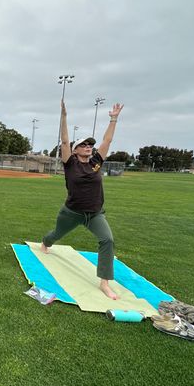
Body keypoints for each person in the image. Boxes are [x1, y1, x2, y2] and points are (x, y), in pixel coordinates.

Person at [41, 100, 124, 299]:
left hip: (95, 214)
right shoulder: (70, 164)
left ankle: (104, 283)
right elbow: (63, 141)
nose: (89, 147)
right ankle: (46, 242)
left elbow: (107, 141)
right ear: (75, 149)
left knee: (107, 240)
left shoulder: (96, 163)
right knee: (56, 235)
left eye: (90, 145)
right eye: (84, 145)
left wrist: (113, 119)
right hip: (71, 212)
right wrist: (64, 117)